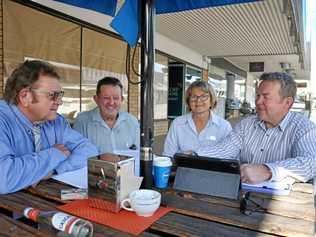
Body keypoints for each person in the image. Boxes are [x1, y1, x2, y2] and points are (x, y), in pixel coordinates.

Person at [198, 72, 316, 184]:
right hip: (242, 196)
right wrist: (194, 156)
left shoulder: (304, 128)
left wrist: (268, 171)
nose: (258, 102)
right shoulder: (246, 125)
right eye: (258, 96)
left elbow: (310, 163)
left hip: (284, 202)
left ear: (287, 102)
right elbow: (224, 150)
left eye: (265, 97)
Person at [0, 60, 98, 194]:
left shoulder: (55, 121)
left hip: (44, 203)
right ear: (25, 96)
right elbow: (4, 178)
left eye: (60, 95)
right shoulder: (3, 120)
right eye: (52, 95)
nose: (60, 102)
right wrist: (54, 154)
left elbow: (90, 150)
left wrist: (53, 170)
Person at [163, 80, 232, 157]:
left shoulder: (224, 126)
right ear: (188, 101)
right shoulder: (177, 123)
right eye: (193, 97)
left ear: (211, 100)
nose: (198, 100)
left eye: (204, 96)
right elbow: (168, 155)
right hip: (184, 168)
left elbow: (230, 155)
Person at [73, 77, 140, 154]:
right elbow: (77, 155)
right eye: (106, 98)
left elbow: (137, 155)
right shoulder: (82, 121)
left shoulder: (132, 122)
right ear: (96, 99)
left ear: (121, 100)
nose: (111, 102)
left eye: (116, 98)